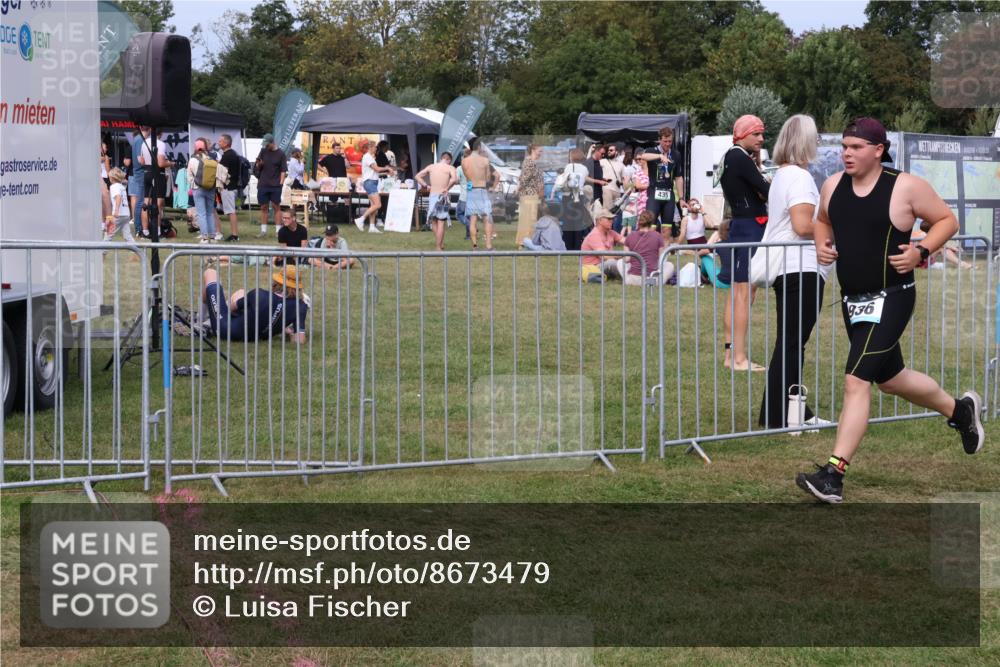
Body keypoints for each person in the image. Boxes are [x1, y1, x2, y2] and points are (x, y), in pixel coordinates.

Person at [796, 117, 984, 504]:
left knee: (856, 380)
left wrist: (921, 250)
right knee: (892, 379)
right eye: (845, 146)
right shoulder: (833, 186)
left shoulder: (905, 186)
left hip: (893, 296)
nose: (847, 153)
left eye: (856, 147)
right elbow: (822, 221)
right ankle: (961, 412)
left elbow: (947, 220)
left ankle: (834, 474)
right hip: (854, 300)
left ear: (878, 150)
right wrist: (821, 245)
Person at [756, 115, 831, 432]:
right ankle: (784, 414)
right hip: (801, 268)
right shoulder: (799, 178)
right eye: (815, 138)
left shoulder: (784, 176)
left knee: (789, 342)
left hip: (790, 269)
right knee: (791, 343)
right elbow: (802, 226)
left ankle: (783, 412)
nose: (817, 144)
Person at [719, 114, 770, 372]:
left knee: (737, 292)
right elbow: (765, 189)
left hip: (741, 225)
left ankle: (731, 354)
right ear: (742, 134)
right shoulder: (740, 157)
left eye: (762, 134)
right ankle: (738, 358)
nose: (761, 139)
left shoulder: (731, 156)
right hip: (750, 227)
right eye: (757, 134)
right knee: (744, 293)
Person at [202, 265, 309, 344]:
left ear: (276, 282)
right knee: (241, 292)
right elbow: (300, 340)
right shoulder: (300, 306)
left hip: (227, 331)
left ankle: (201, 321)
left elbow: (230, 308)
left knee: (210, 272)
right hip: (257, 336)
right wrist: (287, 331)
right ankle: (208, 320)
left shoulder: (259, 294)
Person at [639, 126, 686, 235]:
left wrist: (682, 198)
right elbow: (643, 156)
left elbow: (678, 177)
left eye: (670, 141)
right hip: (654, 193)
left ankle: (665, 251)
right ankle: (650, 250)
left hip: (669, 194)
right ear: (660, 140)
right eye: (665, 141)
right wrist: (659, 156)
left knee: (667, 229)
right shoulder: (653, 151)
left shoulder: (676, 154)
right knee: (651, 228)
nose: (668, 144)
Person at [415, 152, 458, 251]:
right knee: (441, 222)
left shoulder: (431, 166)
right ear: (448, 160)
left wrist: (426, 185)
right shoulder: (450, 168)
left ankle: (440, 243)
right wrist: (447, 188)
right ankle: (438, 246)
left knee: (433, 221)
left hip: (433, 195)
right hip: (443, 196)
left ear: (441, 158)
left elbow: (417, 176)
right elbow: (454, 180)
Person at [462, 138, 500, 250]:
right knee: (487, 218)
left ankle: (474, 246)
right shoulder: (485, 160)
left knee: (472, 220)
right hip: (482, 190)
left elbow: (467, 177)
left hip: (471, 191)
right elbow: (488, 177)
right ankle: (488, 246)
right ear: (479, 147)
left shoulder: (464, 161)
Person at [619, 210, 671, 286]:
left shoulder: (630, 236)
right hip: (650, 279)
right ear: (652, 223)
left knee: (620, 262)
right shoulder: (657, 236)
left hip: (632, 279)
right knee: (669, 265)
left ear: (639, 221)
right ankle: (657, 281)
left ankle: (627, 279)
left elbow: (627, 259)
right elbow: (661, 259)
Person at [559, 148, 595, 251]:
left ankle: (568, 245)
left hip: (567, 196)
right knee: (578, 222)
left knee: (567, 222)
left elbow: (565, 182)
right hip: (579, 196)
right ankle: (577, 245)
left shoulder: (568, 167)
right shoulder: (584, 168)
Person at [139, 126, 169, 239]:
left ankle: (145, 231)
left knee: (146, 202)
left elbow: (141, 161)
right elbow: (161, 163)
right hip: (157, 173)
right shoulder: (161, 144)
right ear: (160, 134)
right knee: (159, 203)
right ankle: (157, 231)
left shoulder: (144, 143)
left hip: (146, 172)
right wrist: (171, 163)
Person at [580, 204, 624, 282]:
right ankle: (629, 278)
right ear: (600, 220)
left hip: (604, 265)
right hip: (593, 268)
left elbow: (628, 241)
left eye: (612, 219)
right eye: (609, 219)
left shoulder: (611, 232)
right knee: (613, 263)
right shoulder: (594, 235)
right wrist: (625, 255)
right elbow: (605, 256)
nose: (612, 221)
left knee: (620, 262)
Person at [354, 141, 390, 234]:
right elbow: (377, 169)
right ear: (370, 147)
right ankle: (361, 219)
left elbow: (375, 172)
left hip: (372, 182)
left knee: (373, 205)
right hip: (370, 183)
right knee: (378, 205)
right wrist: (387, 168)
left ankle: (372, 227)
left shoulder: (370, 157)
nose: (376, 149)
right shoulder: (367, 157)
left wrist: (386, 172)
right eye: (375, 147)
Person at [187, 137, 218, 243]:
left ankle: (204, 237)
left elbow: (189, 176)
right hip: (211, 188)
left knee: (201, 213)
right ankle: (213, 237)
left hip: (198, 188)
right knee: (210, 213)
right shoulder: (210, 158)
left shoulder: (192, 159)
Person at [255, 133, 286, 238]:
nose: (266, 146)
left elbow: (283, 170)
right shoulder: (263, 151)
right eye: (265, 144)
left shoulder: (281, 154)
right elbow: (257, 166)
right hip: (263, 184)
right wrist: (259, 164)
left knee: (276, 206)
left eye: (267, 144)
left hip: (275, 185)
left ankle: (278, 231)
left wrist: (281, 183)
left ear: (273, 143)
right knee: (263, 207)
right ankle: (263, 231)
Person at [515, 144, 544, 249]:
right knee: (528, 220)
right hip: (529, 194)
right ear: (533, 150)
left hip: (532, 194)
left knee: (529, 219)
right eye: (539, 151)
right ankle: (524, 242)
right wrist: (518, 188)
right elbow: (524, 178)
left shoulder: (531, 162)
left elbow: (522, 177)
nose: (541, 153)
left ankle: (526, 241)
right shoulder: (530, 162)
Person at [217, 134, 241, 242]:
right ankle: (234, 234)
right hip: (233, 186)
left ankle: (234, 235)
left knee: (231, 211)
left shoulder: (227, 155)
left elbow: (223, 173)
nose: (219, 142)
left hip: (228, 187)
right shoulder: (233, 154)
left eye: (221, 141)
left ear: (226, 143)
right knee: (231, 211)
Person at [103, 168, 134, 242]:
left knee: (109, 233)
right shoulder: (122, 186)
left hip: (118, 214)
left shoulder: (114, 186)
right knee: (127, 236)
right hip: (126, 214)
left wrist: (116, 210)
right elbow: (125, 181)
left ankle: (102, 251)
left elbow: (118, 197)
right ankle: (138, 251)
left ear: (112, 178)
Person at [128, 130, 145, 237]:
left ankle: (140, 228)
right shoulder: (139, 140)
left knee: (138, 200)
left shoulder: (137, 140)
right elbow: (140, 159)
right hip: (140, 173)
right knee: (140, 201)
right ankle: (139, 228)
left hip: (137, 173)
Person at [456, 147, 472, 240]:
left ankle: (471, 227)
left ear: (463, 157)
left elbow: (456, 180)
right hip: (474, 194)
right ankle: (468, 236)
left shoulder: (460, 168)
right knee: (469, 216)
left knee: (459, 214)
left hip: (464, 195)